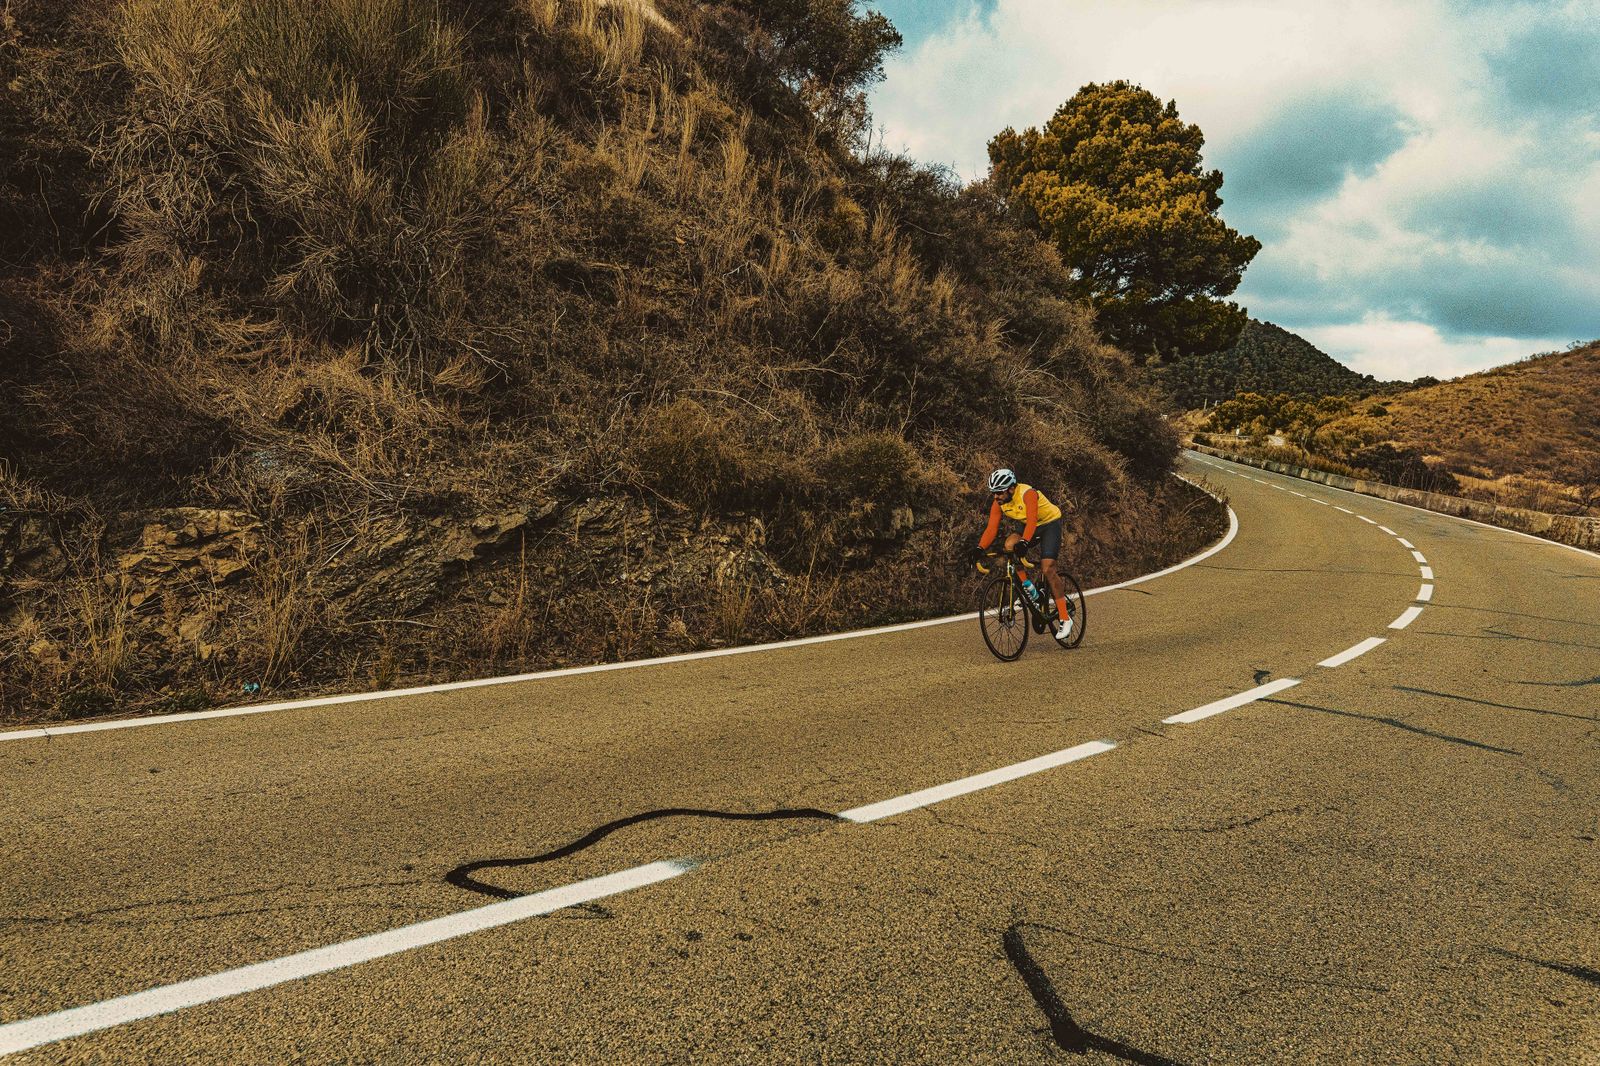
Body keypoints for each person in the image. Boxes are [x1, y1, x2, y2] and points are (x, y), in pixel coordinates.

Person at [975, 468, 1074, 640]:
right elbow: (991, 528)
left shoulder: (1028, 494)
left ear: (1011, 488)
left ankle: (1065, 618)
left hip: (1049, 524)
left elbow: (1033, 520)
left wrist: (1025, 542)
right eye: (993, 493)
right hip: (1028, 525)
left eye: (999, 492)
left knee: (1048, 569)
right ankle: (1029, 588)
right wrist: (979, 548)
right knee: (1009, 545)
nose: (996, 497)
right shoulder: (999, 502)